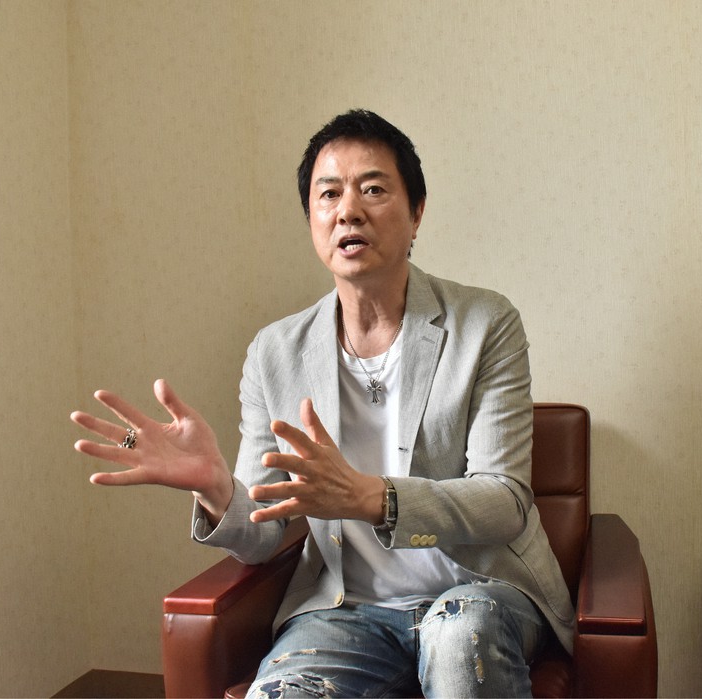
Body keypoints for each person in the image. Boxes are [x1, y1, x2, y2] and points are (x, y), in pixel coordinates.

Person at [72, 109, 574, 698]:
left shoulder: (485, 323)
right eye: (329, 194)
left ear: (417, 212)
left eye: (373, 189)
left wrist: (373, 498)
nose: (348, 211)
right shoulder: (275, 353)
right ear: (311, 219)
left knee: (457, 633)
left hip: (478, 593)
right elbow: (262, 537)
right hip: (348, 609)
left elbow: (505, 501)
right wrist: (216, 488)